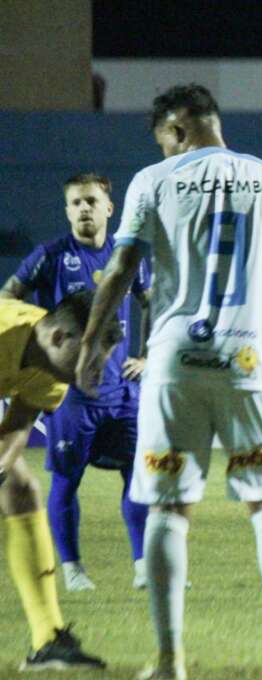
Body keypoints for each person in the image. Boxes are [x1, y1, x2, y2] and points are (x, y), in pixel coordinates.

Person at [75, 83, 262, 680]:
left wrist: (92, 340)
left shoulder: (152, 182)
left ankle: (168, 661)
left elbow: (119, 268)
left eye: (163, 140)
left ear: (177, 130)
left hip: (172, 364)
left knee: (169, 509)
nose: (164, 150)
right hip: (249, 366)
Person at [0, 173, 151, 592]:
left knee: (139, 476)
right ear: (67, 211)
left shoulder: (127, 258)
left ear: (109, 208)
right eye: (75, 203)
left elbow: (152, 301)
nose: (83, 208)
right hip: (69, 391)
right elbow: (9, 293)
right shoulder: (50, 256)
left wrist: (147, 354)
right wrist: (24, 336)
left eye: (90, 201)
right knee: (66, 480)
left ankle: (143, 566)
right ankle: (72, 570)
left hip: (120, 390)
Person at [0, 290, 120, 671]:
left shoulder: (54, 369)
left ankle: (48, 639)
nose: (101, 365)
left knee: (20, 489)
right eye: (94, 352)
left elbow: (18, 424)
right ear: (58, 338)